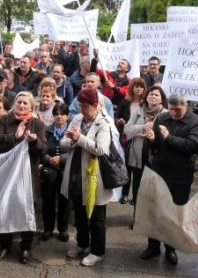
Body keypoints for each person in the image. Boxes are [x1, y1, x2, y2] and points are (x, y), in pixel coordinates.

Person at [140, 93, 198, 266]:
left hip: (180, 175)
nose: (174, 113)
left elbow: (194, 146)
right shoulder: (162, 117)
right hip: (159, 171)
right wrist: (152, 140)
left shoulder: (196, 122)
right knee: (155, 211)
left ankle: (170, 248)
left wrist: (169, 138)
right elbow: (155, 147)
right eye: (172, 109)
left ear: (186, 106)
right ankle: (153, 246)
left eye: (178, 110)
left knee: (174, 214)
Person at [0, 91, 47, 264]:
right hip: (7, 174)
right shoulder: (5, 120)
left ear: (32, 106)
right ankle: (5, 245)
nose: (22, 105)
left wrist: (34, 140)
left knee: (25, 210)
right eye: (19, 102)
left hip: (27, 175)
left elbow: (44, 149)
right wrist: (14, 136)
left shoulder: (37, 123)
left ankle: (26, 248)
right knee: (6, 209)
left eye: (25, 103)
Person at [59, 88, 114, 267]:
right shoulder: (77, 118)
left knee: (97, 216)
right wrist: (73, 140)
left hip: (94, 176)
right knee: (80, 214)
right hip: (75, 172)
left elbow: (101, 149)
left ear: (96, 106)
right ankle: (82, 244)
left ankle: (98, 251)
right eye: (80, 105)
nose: (82, 109)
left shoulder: (104, 123)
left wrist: (79, 138)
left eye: (86, 106)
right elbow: (63, 143)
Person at [124, 86, 167, 212]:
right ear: (146, 97)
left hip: (156, 156)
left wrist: (152, 133)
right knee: (137, 188)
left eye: (156, 95)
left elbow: (166, 135)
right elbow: (127, 129)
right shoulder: (138, 110)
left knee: (153, 190)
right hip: (138, 156)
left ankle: (151, 218)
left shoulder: (165, 114)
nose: (153, 96)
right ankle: (137, 218)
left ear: (161, 99)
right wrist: (142, 127)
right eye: (151, 94)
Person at [40, 102, 71, 243]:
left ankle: (63, 229)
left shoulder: (72, 131)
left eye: (62, 114)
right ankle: (48, 228)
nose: (59, 117)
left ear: (67, 116)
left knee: (65, 201)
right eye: (56, 114)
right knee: (48, 200)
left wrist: (62, 158)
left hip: (66, 170)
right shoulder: (46, 130)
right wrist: (48, 159)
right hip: (49, 170)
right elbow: (41, 149)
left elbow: (75, 152)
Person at [116, 78, 148, 204]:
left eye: (141, 86)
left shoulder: (145, 104)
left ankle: (135, 196)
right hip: (126, 138)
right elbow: (117, 117)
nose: (138, 89)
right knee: (127, 167)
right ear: (132, 88)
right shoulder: (125, 102)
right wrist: (119, 121)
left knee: (138, 170)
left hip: (140, 139)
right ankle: (124, 194)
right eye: (136, 86)